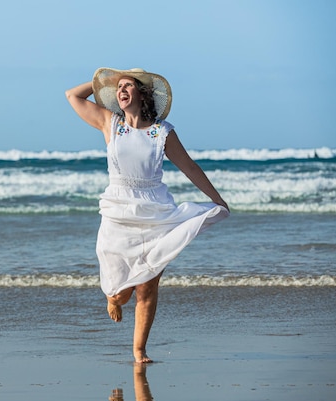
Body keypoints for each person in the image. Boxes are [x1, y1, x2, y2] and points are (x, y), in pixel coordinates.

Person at [65, 68, 229, 363]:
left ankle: (139, 351)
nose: (121, 90)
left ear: (143, 94)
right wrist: (101, 82)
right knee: (121, 293)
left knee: (149, 283)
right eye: (118, 87)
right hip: (118, 211)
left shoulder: (161, 132)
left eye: (128, 85)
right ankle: (113, 297)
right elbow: (72, 96)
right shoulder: (110, 123)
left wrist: (216, 198)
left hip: (156, 212)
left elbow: (189, 167)